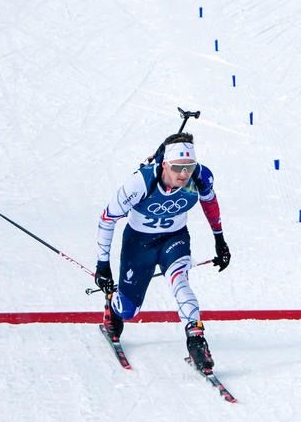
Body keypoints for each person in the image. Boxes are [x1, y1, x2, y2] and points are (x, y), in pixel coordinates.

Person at [93, 133, 231, 372]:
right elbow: (107, 218)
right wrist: (102, 265)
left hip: (174, 239)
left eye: (189, 166)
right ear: (165, 164)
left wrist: (220, 239)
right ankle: (113, 304)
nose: (184, 174)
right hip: (139, 243)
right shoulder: (140, 183)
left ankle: (196, 339)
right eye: (177, 167)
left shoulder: (200, 176)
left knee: (180, 281)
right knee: (129, 311)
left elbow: (210, 203)